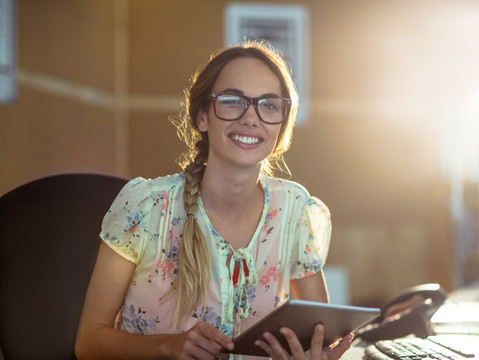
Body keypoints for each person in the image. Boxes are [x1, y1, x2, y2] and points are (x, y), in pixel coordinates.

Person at [75, 40, 354, 360]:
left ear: (282, 126)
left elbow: (316, 337)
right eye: (233, 101)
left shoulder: (296, 211)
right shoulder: (145, 206)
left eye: (269, 105)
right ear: (202, 117)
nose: (252, 118)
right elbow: (88, 342)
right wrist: (166, 346)